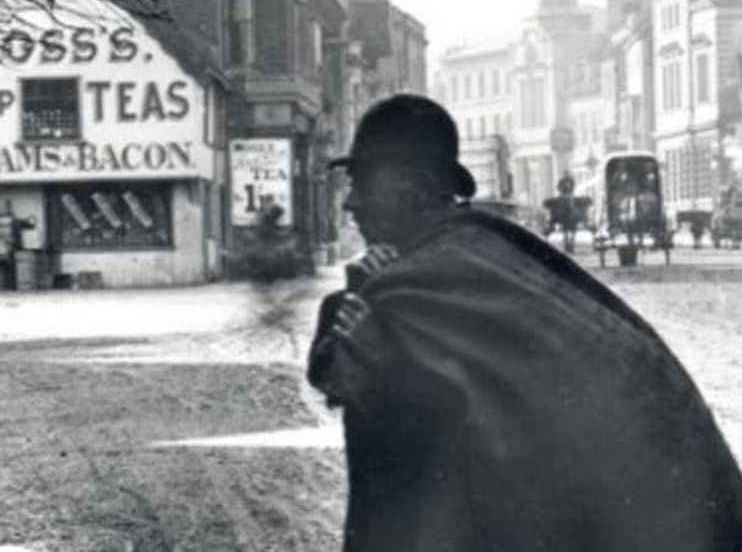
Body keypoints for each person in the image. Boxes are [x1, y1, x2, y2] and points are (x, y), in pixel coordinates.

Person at [307, 94, 742, 552]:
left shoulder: (412, 290)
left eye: (362, 183)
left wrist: (368, 320)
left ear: (411, 186)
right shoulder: (492, 250)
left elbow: (360, 388)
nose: (350, 203)